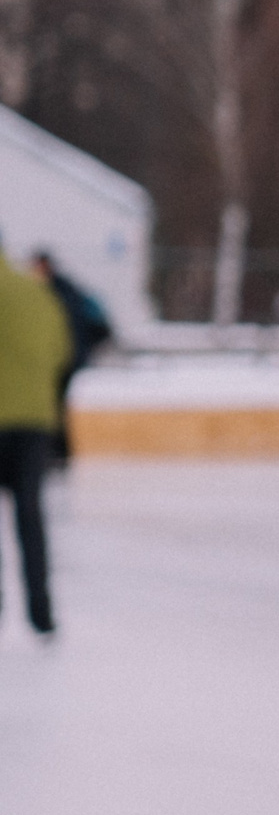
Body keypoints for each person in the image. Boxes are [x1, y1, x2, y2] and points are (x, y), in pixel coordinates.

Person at [0, 244, 69, 639]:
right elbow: (62, 350)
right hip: (33, 422)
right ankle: (40, 613)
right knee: (30, 517)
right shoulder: (37, 293)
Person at [28, 251, 112, 466]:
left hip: (62, 359)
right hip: (65, 357)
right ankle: (59, 452)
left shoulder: (55, 292)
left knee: (53, 405)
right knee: (56, 404)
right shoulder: (66, 289)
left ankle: (57, 452)